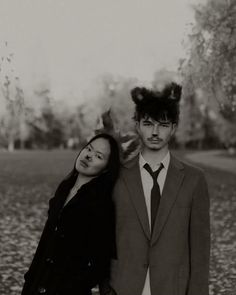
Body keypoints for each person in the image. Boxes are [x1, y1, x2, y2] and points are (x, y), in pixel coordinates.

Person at [109, 83, 210, 295]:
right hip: (123, 287)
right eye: (147, 123)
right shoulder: (116, 176)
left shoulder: (194, 179)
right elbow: (104, 238)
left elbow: (200, 250)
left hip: (173, 287)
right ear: (137, 125)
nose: (155, 132)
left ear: (173, 127)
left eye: (163, 125)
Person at [21, 133, 120, 295]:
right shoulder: (64, 188)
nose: (88, 156)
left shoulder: (101, 204)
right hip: (36, 283)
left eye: (98, 156)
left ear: (106, 168)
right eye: (89, 149)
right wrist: (30, 280)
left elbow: (101, 260)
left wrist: (73, 286)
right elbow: (46, 240)